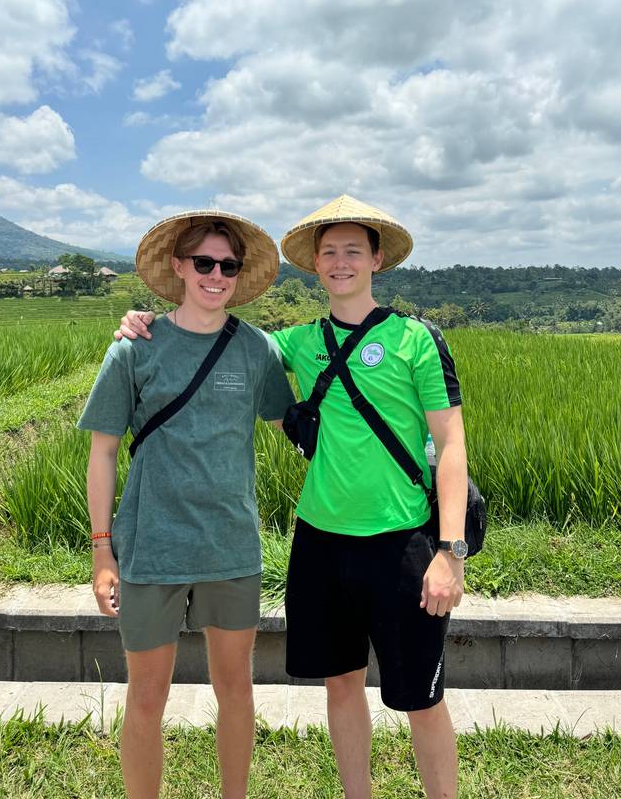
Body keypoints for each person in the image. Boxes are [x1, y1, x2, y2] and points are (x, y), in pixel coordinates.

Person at [118, 195, 469, 799]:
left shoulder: (415, 338)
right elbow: (213, 334)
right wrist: (140, 322)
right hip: (321, 542)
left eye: (352, 251)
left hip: (403, 540)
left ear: (376, 259)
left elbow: (451, 443)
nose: (339, 262)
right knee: (340, 684)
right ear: (312, 263)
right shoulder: (294, 343)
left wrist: (450, 550)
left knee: (421, 698)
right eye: (327, 252)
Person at [78, 210, 296, 799]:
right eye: (204, 262)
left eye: (228, 265)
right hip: (151, 546)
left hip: (232, 546)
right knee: (147, 695)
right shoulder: (135, 347)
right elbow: (102, 454)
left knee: (236, 688)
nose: (216, 274)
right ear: (178, 267)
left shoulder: (257, 350)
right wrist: (103, 553)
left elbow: (294, 426)